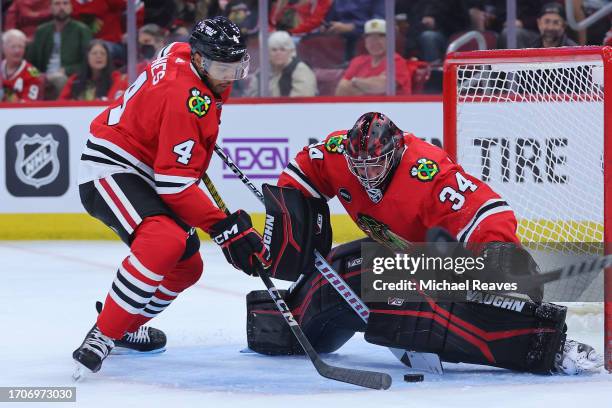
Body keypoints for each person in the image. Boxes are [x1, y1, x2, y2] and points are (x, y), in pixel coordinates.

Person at [245, 112, 604, 375]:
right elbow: (303, 170)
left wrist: (498, 253)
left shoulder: (426, 171)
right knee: (346, 271)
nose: (365, 174)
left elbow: (486, 210)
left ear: (396, 152)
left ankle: (547, 347)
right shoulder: (341, 153)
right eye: (359, 167)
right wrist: (291, 223)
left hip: (447, 266)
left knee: (387, 279)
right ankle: (278, 325)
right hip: (399, 260)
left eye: (375, 166)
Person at [72, 16, 270, 376]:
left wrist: (186, 142)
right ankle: (104, 334)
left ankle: (124, 325)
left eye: (234, 66)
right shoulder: (185, 98)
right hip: (112, 166)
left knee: (187, 266)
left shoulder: (181, 51)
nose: (227, 75)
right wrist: (224, 227)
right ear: (198, 59)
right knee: (164, 241)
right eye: (219, 66)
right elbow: (174, 186)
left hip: (147, 166)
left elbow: (167, 62)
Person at [27, 0, 92, 100]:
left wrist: (67, 70)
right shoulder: (41, 31)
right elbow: (30, 63)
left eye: (65, 3)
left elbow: (87, 63)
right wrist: (37, 75)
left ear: (71, 7)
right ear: (50, 8)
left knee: (60, 79)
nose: (61, 7)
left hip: (69, 77)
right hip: (44, 76)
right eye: (57, 4)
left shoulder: (82, 30)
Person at [335, 19, 413, 96]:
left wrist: (354, 81)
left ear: (390, 40)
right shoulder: (358, 61)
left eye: (380, 37)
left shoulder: (396, 61)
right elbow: (342, 88)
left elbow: (382, 86)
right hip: (361, 108)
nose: (375, 42)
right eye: (370, 37)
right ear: (365, 41)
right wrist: (368, 86)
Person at [247, 31, 317, 97]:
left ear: (291, 51)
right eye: (274, 50)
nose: (278, 53)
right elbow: (250, 99)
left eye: (283, 49)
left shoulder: (301, 70)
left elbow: (301, 102)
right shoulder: (262, 73)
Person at [58, 40, 127, 101]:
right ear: (87, 57)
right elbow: (60, 103)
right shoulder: (75, 79)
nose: (99, 56)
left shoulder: (116, 78)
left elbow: (111, 102)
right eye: (94, 53)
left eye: (103, 53)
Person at [1, 29, 43, 102]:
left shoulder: (33, 72)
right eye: (13, 47)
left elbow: (27, 105)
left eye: (20, 47)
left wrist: (5, 89)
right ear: (3, 48)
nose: (17, 51)